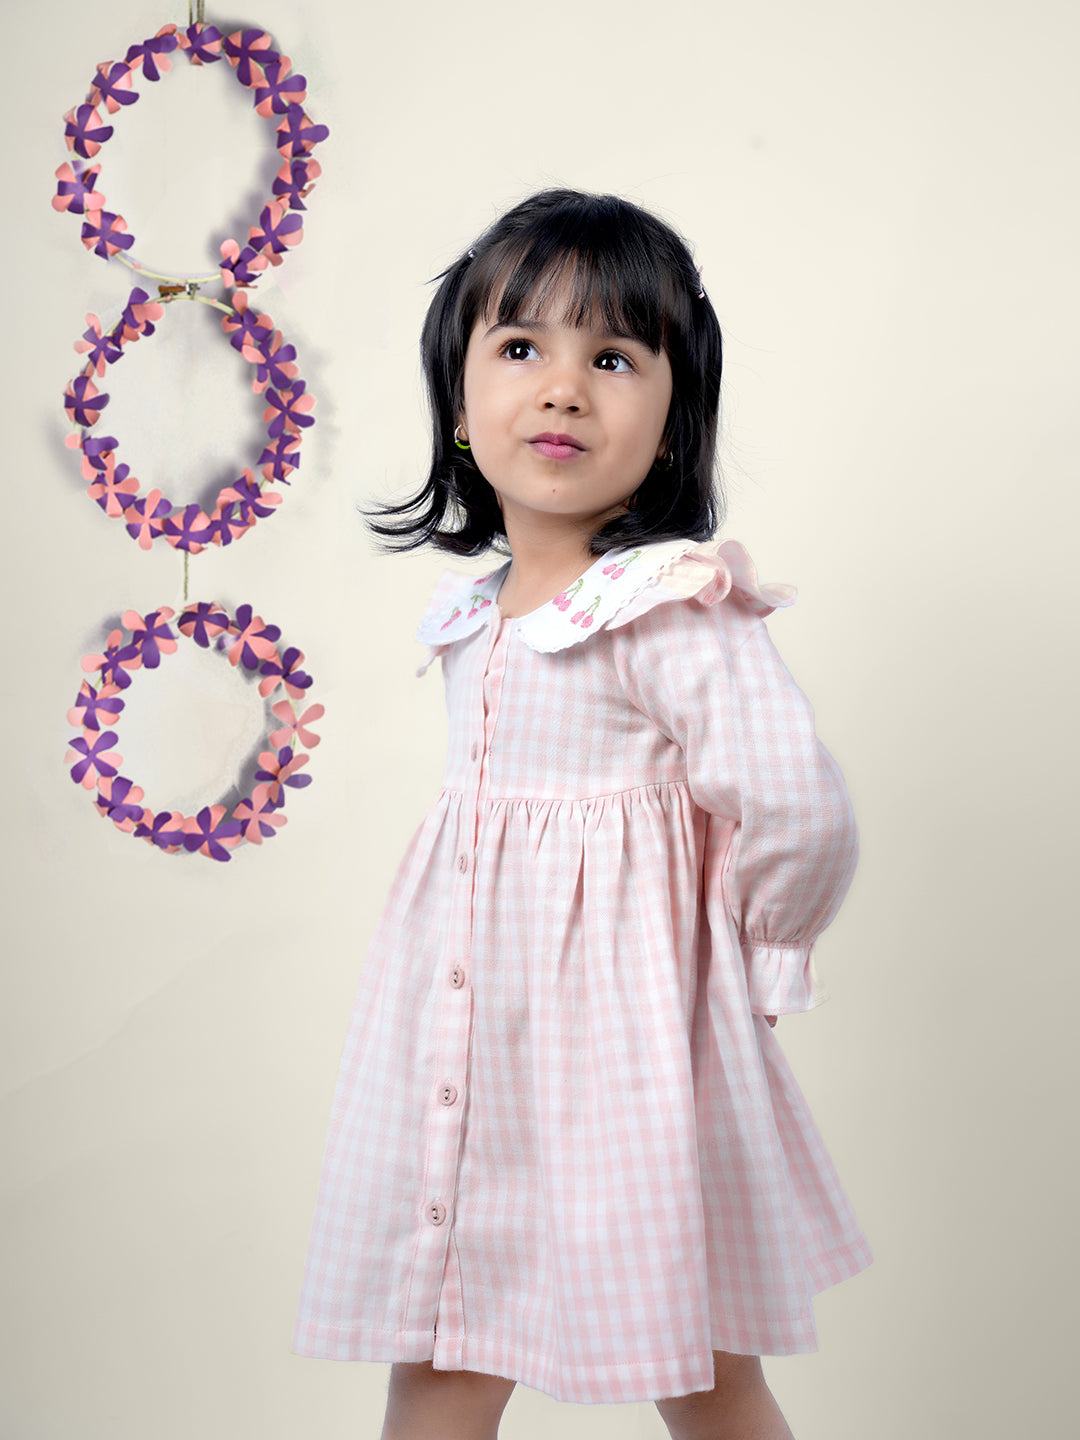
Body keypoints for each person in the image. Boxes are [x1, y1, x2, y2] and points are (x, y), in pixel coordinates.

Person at [293, 189, 872, 1439]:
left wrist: (759, 949)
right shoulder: (472, 619)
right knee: (440, 1355)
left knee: (704, 1369)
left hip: (628, 1062)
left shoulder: (669, 609)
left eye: (612, 357)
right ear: (459, 405)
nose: (563, 388)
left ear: (671, 426)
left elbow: (791, 800)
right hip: (471, 1054)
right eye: (521, 350)